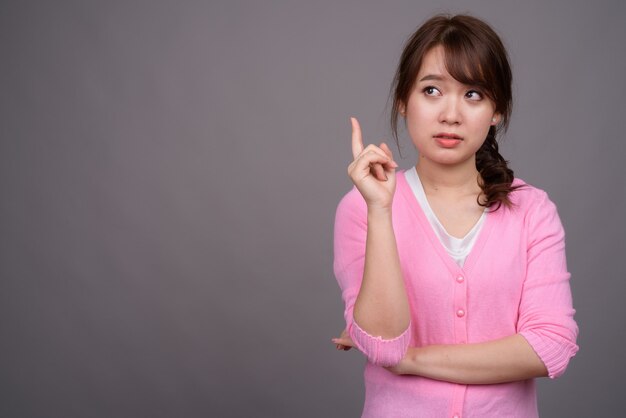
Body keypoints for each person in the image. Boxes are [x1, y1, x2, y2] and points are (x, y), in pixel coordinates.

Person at [331, 14, 578, 418]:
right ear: (403, 101)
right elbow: (383, 345)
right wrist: (380, 209)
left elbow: (551, 345)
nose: (451, 114)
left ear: (497, 110)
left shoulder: (532, 210)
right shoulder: (362, 207)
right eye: (431, 90)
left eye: (474, 95)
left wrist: (410, 361)